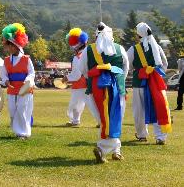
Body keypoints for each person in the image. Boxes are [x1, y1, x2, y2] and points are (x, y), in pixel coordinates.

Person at [80, 23, 129, 164]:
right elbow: (125, 68)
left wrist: (93, 78)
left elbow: (83, 69)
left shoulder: (89, 50)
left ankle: (114, 150)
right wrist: (119, 80)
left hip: (95, 87)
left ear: (96, 36)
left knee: (104, 120)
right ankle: (104, 149)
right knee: (114, 118)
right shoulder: (120, 49)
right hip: (118, 88)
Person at [127, 22, 171, 145]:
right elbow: (164, 64)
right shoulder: (158, 47)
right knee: (160, 107)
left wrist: (138, 71)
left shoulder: (133, 49)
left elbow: (128, 65)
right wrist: (155, 72)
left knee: (139, 110)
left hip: (139, 82)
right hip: (156, 82)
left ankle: (142, 135)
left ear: (138, 35)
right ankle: (160, 136)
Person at [0, 23, 34, 139]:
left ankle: (23, 133)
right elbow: (3, 74)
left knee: (22, 109)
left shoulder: (26, 59)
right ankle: (18, 130)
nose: (7, 48)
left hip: (25, 89)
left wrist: (27, 80)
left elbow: (31, 73)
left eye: (8, 45)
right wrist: (5, 81)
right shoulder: (6, 60)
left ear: (15, 45)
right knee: (13, 110)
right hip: (12, 89)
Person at [65, 28, 98, 127]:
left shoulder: (77, 57)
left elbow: (77, 74)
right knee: (86, 104)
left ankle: (76, 121)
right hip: (88, 83)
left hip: (80, 84)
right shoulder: (88, 53)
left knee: (76, 104)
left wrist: (66, 78)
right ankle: (76, 121)